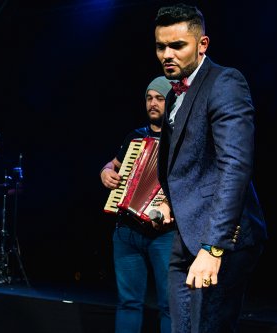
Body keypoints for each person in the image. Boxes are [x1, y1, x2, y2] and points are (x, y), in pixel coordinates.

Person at [151, 4, 268, 332]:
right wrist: (169, 199)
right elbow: (187, 163)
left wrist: (214, 247)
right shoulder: (175, 93)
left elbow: (235, 166)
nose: (167, 55)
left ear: (202, 44)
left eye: (177, 45)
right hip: (186, 233)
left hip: (222, 237)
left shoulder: (224, 82)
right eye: (161, 46)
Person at [100, 76, 174, 333]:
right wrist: (105, 171)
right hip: (126, 231)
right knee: (129, 303)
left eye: (160, 98)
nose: (153, 103)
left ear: (172, 100)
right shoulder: (135, 137)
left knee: (170, 305)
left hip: (164, 233)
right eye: (149, 98)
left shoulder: (180, 139)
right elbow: (114, 165)